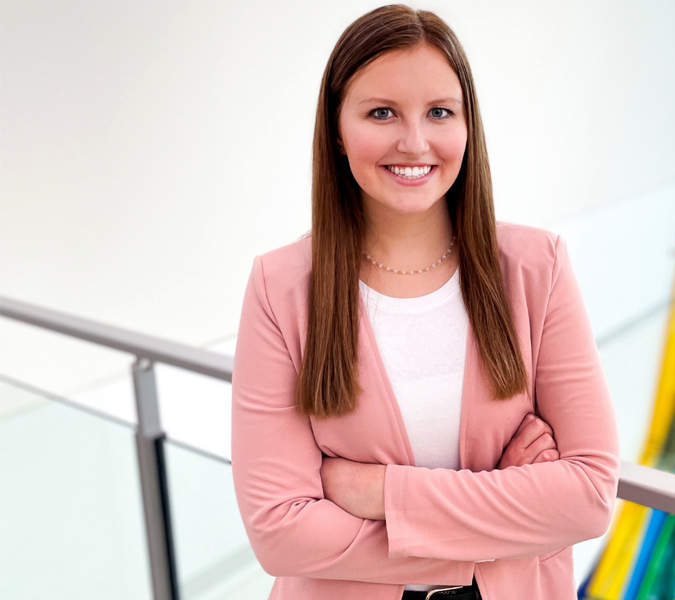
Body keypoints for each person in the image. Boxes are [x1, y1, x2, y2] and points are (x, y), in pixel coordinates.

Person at [231, 5, 620, 600]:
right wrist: (501, 518)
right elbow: (280, 533)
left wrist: (378, 492)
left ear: (468, 125)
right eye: (381, 112)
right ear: (337, 129)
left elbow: (589, 496)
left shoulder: (537, 267)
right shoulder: (281, 286)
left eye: (440, 112)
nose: (414, 142)